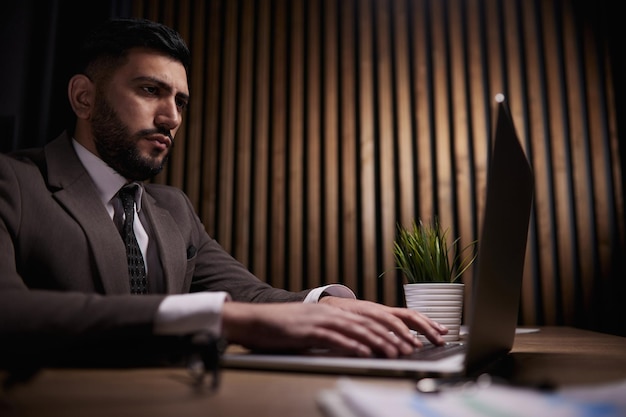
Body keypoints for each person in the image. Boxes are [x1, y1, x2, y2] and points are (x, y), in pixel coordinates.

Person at [0, 18, 446, 370]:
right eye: (150, 90)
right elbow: (11, 311)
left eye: (180, 102)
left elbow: (245, 296)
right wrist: (214, 316)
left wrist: (328, 306)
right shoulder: (12, 183)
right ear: (84, 98)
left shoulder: (173, 207)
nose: (171, 117)